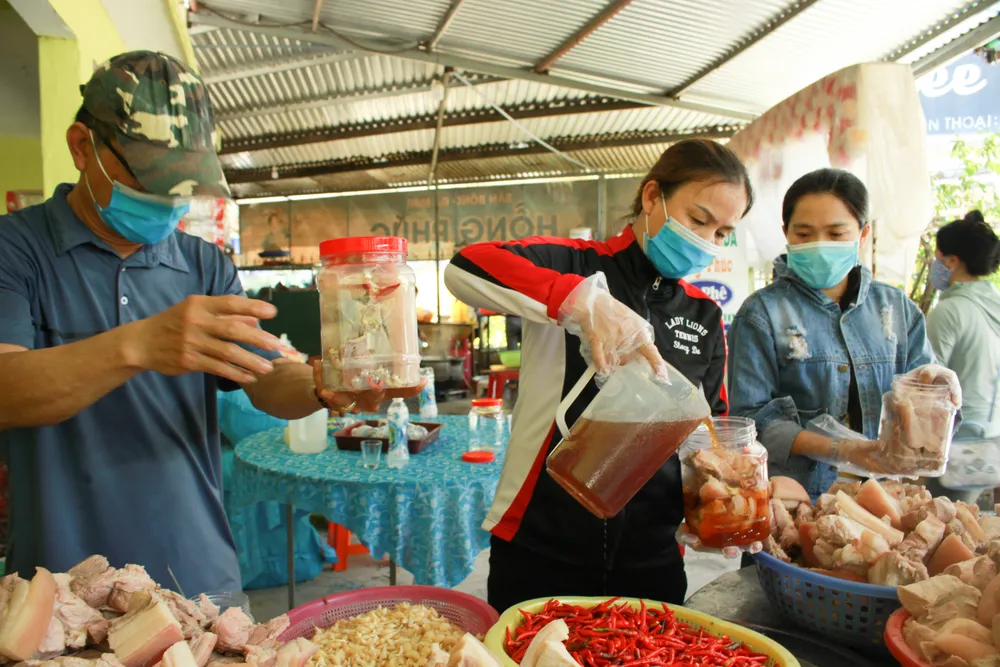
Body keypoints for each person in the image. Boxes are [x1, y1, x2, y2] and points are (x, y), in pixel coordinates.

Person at [0, 51, 416, 595]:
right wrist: (138, 344)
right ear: (83, 148)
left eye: (183, 184)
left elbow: (263, 380)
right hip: (62, 585)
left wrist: (326, 384)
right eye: (149, 179)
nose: (168, 203)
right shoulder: (16, 250)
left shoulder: (203, 264)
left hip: (196, 570)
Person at [445, 139, 754, 612]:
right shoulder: (573, 263)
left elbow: (707, 430)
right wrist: (580, 301)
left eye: (722, 231)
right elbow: (465, 267)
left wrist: (719, 499)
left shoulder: (704, 313)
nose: (706, 241)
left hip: (652, 559)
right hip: (539, 543)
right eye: (697, 219)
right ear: (653, 197)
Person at [728, 169, 952, 499]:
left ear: (863, 234)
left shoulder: (895, 310)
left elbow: (927, 401)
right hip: (795, 498)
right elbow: (750, 420)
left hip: (884, 497)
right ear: (786, 234)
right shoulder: (761, 314)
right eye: (804, 234)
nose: (820, 245)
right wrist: (842, 450)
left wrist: (939, 392)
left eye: (836, 234)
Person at [925, 211, 1000, 501]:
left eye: (938, 256)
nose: (936, 265)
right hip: (992, 437)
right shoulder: (993, 305)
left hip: (956, 443)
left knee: (943, 531)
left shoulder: (950, 311)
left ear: (952, 261)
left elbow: (927, 381)